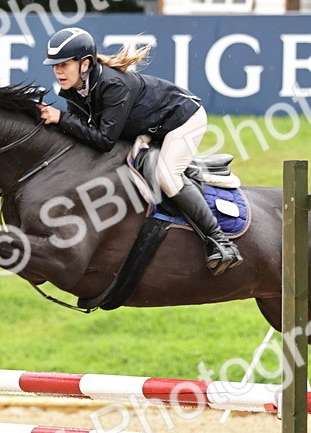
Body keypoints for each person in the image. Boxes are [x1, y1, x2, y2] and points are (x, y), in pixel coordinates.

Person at [38, 28, 242, 275]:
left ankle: (220, 242)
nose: (58, 71)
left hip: (183, 119)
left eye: (64, 65)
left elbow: (104, 140)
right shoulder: (73, 89)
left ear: (85, 64)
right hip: (149, 127)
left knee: (166, 176)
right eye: (54, 66)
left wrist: (61, 118)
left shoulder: (112, 85)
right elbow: (83, 133)